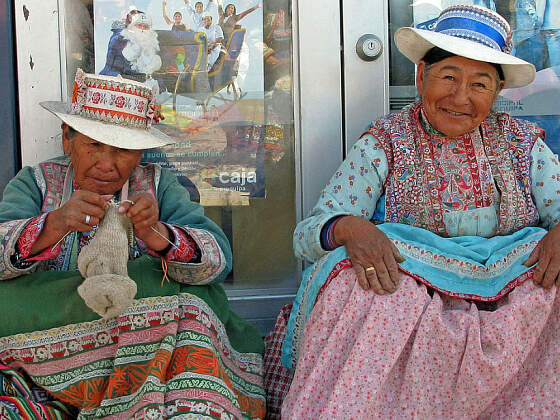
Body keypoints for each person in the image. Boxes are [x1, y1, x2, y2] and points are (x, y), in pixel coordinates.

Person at [272, 5, 560, 419]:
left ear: (496, 93)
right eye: (449, 77)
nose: (461, 97)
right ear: (421, 74)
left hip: (506, 291)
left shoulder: (522, 143)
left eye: (479, 84)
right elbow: (308, 234)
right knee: (357, 282)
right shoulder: (386, 141)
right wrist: (350, 227)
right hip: (413, 290)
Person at [0, 69, 265, 419]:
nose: (107, 165)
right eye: (93, 145)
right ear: (68, 139)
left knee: (196, 296)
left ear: (140, 153)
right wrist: (54, 224)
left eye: (123, 150)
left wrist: (158, 235)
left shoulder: (160, 185)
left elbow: (217, 260)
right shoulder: (35, 183)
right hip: (52, 348)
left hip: (145, 344)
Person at [100, 11, 162, 78]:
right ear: (133, 26)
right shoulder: (120, 39)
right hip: (118, 79)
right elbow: (115, 66)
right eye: (139, 26)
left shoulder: (151, 42)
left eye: (145, 27)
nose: (142, 29)